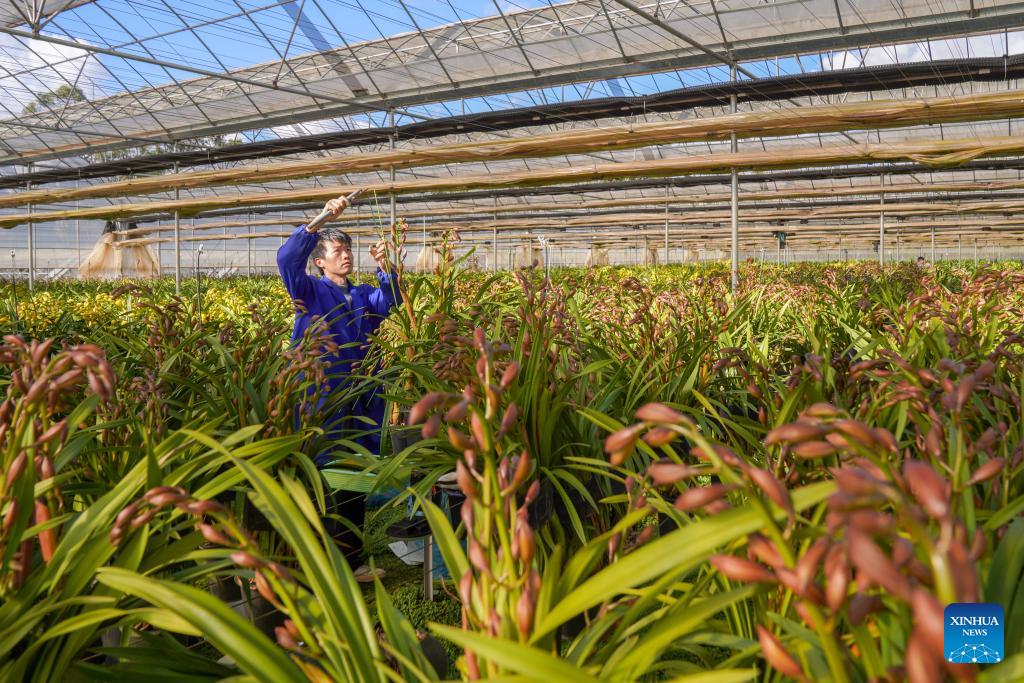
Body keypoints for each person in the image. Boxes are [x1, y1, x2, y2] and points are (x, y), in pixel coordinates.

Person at [277, 192, 401, 578]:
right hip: (322, 397)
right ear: (319, 261)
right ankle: (320, 561)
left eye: (347, 249)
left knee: (355, 475)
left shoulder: (362, 295)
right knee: (324, 473)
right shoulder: (308, 290)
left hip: (361, 398)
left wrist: (385, 266)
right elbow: (286, 258)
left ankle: (351, 560)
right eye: (337, 251)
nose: (345, 255)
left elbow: (393, 300)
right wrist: (320, 219)